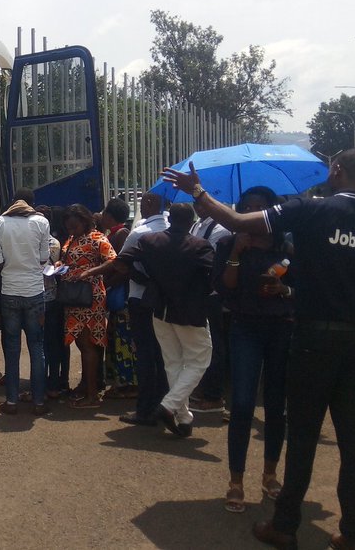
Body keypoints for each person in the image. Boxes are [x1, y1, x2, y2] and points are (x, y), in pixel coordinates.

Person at [163, 149, 355, 550]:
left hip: (312, 339)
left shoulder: (311, 211)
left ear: (337, 170)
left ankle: (285, 526)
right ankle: (354, 536)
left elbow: (238, 221)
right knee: (354, 444)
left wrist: (199, 193)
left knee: (303, 437)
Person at [83, 203, 214, 437]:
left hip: (158, 308)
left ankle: (182, 417)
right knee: (198, 361)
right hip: (189, 311)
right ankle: (168, 406)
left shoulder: (149, 241)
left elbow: (120, 262)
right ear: (191, 221)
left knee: (172, 362)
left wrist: (147, 280)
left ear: (171, 219)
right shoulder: (200, 246)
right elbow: (213, 279)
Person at [215, 186, 294, 514]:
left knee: (276, 406)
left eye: (259, 207)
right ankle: (236, 480)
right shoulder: (227, 243)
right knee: (243, 403)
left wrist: (283, 288)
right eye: (246, 206)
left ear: (271, 212)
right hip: (244, 327)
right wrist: (237, 251)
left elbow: (303, 288)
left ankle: (270, 474)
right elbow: (225, 286)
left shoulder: (287, 246)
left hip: (280, 328)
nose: (252, 211)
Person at [0, 188, 51, 416]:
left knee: (12, 348)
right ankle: (39, 403)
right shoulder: (41, 223)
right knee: (37, 347)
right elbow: (44, 257)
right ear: (32, 203)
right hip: (35, 291)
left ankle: (12, 402)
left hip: (9, 292)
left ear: (12, 202)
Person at [112, 192, 170, 426]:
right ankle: (165, 405)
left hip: (140, 299)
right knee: (165, 355)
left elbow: (120, 262)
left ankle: (145, 410)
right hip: (167, 301)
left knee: (145, 356)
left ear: (149, 203)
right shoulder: (173, 228)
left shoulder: (140, 233)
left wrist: (139, 277)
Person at [55, 204, 117, 408]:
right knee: (82, 344)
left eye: (74, 226)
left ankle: (92, 396)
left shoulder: (97, 238)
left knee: (88, 344)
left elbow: (113, 261)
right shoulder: (73, 238)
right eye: (68, 227)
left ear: (84, 221)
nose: (70, 230)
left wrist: (90, 272)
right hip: (74, 297)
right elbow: (69, 259)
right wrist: (60, 266)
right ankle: (88, 385)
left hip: (89, 297)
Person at [191, 197, 234, 414]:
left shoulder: (221, 231)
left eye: (202, 203)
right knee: (202, 343)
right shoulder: (198, 224)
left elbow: (213, 261)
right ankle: (203, 387)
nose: (198, 207)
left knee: (215, 344)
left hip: (213, 294)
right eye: (196, 203)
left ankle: (214, 395)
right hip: (199, 293)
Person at [99, 198, 137, 399]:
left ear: (110, 216)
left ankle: (128, 384)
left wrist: (107, 284)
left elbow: (122, 268)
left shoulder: (121, 235)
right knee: (116, 337)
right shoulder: (115, 234)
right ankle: (121, 382)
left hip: (121, 296)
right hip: (118, 294)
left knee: (122, 339)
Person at [43, 206, 72, 399]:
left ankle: (48, 382)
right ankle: (61, 380)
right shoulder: (58, 241)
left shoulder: (42, 242)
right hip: (58, 296)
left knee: (46, 342)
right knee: (60, 341)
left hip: (43, 297)